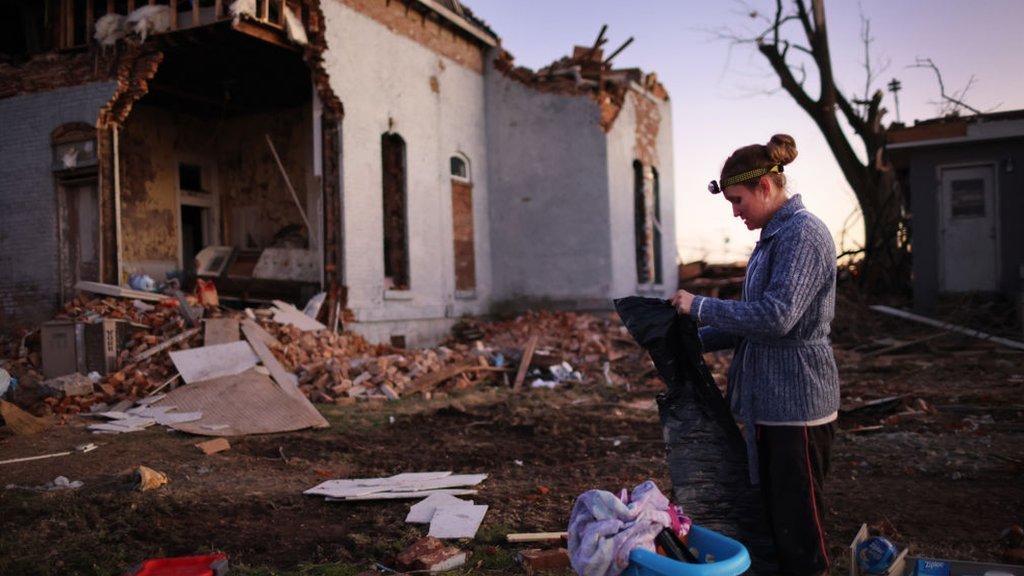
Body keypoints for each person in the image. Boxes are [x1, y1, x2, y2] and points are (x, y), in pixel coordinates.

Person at [670, 134, 839, 576]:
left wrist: (701, 306)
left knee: (800, 524)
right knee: (775, 516)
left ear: (766, 186)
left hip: (797, 405)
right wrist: (690, 340)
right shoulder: (772, 238)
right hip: (767, 404)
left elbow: (777, 317)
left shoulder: (803, 235)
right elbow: (750, 326)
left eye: (738, 200)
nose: (735, 211)